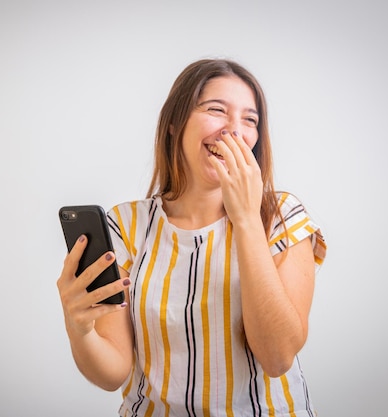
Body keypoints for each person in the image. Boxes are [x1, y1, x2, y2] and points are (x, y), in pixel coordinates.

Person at [57, 58, 327, 416]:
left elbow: (277, 357)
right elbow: (112, 372)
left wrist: (246, 219)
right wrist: (79, 327)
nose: (234, 131)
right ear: (174, 123)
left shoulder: (283, 216)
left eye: (250, 120)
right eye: (217, 110)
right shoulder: (125, 225)